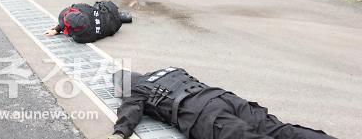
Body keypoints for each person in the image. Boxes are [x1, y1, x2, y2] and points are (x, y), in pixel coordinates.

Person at [108, 67, 335, 139]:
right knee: (280, 129)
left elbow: (130, 113)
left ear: (122, 87)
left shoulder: (137, 91)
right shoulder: (170, 68)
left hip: (204, 115)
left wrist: (119, 133)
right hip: (225, 98)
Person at [44, 1, 132, 43]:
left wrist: (57, 29)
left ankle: (119, 16)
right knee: (98, 8)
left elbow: (68, 28)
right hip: (110, 15)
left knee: (102, 13)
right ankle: (119, 15)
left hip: (113, 25)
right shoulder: (84, 9)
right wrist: (57, 29)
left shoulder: (81, 38)